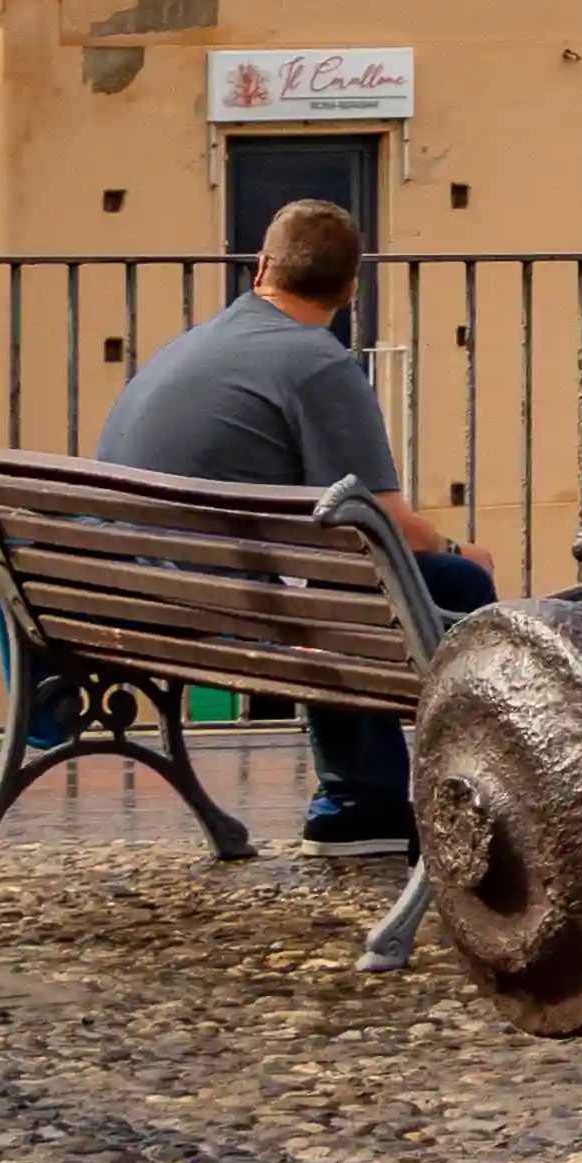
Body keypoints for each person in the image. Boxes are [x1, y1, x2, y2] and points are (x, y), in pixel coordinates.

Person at [93, 198, 495, 856]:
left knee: (349, 579)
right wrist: (463, 551)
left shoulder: (187, 349)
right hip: (222, 611)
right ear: (350, 289)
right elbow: (388, 520)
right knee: (447, 580)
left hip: (122, 596)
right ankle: (368, 799)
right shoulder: (319, 364)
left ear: (261, 268)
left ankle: (359, 796)